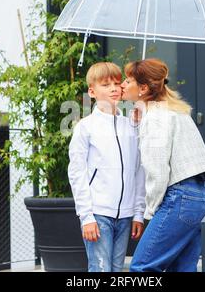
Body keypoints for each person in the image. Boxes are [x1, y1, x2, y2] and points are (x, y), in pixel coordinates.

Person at [120, 58, 205, 272]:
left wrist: (150, 212)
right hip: (201, 197)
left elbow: (158, 172)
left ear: (143, 88)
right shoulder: (174, 111)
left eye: (128, 80)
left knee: (141, 268)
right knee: (181, 269)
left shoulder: (155, 118)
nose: (122, 85)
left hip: (179, 198)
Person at [68, 62, 146, 272]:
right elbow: (77, 173)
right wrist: (86, 217)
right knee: (100, 269)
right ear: (92, 91)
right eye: (105, 84)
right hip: (98, 214)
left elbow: (139, 170)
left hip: (126, 216)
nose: (113, 88)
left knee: (117, 269)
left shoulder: (132, 125)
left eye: (117, 82)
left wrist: (138, 213)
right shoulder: (85, 127)